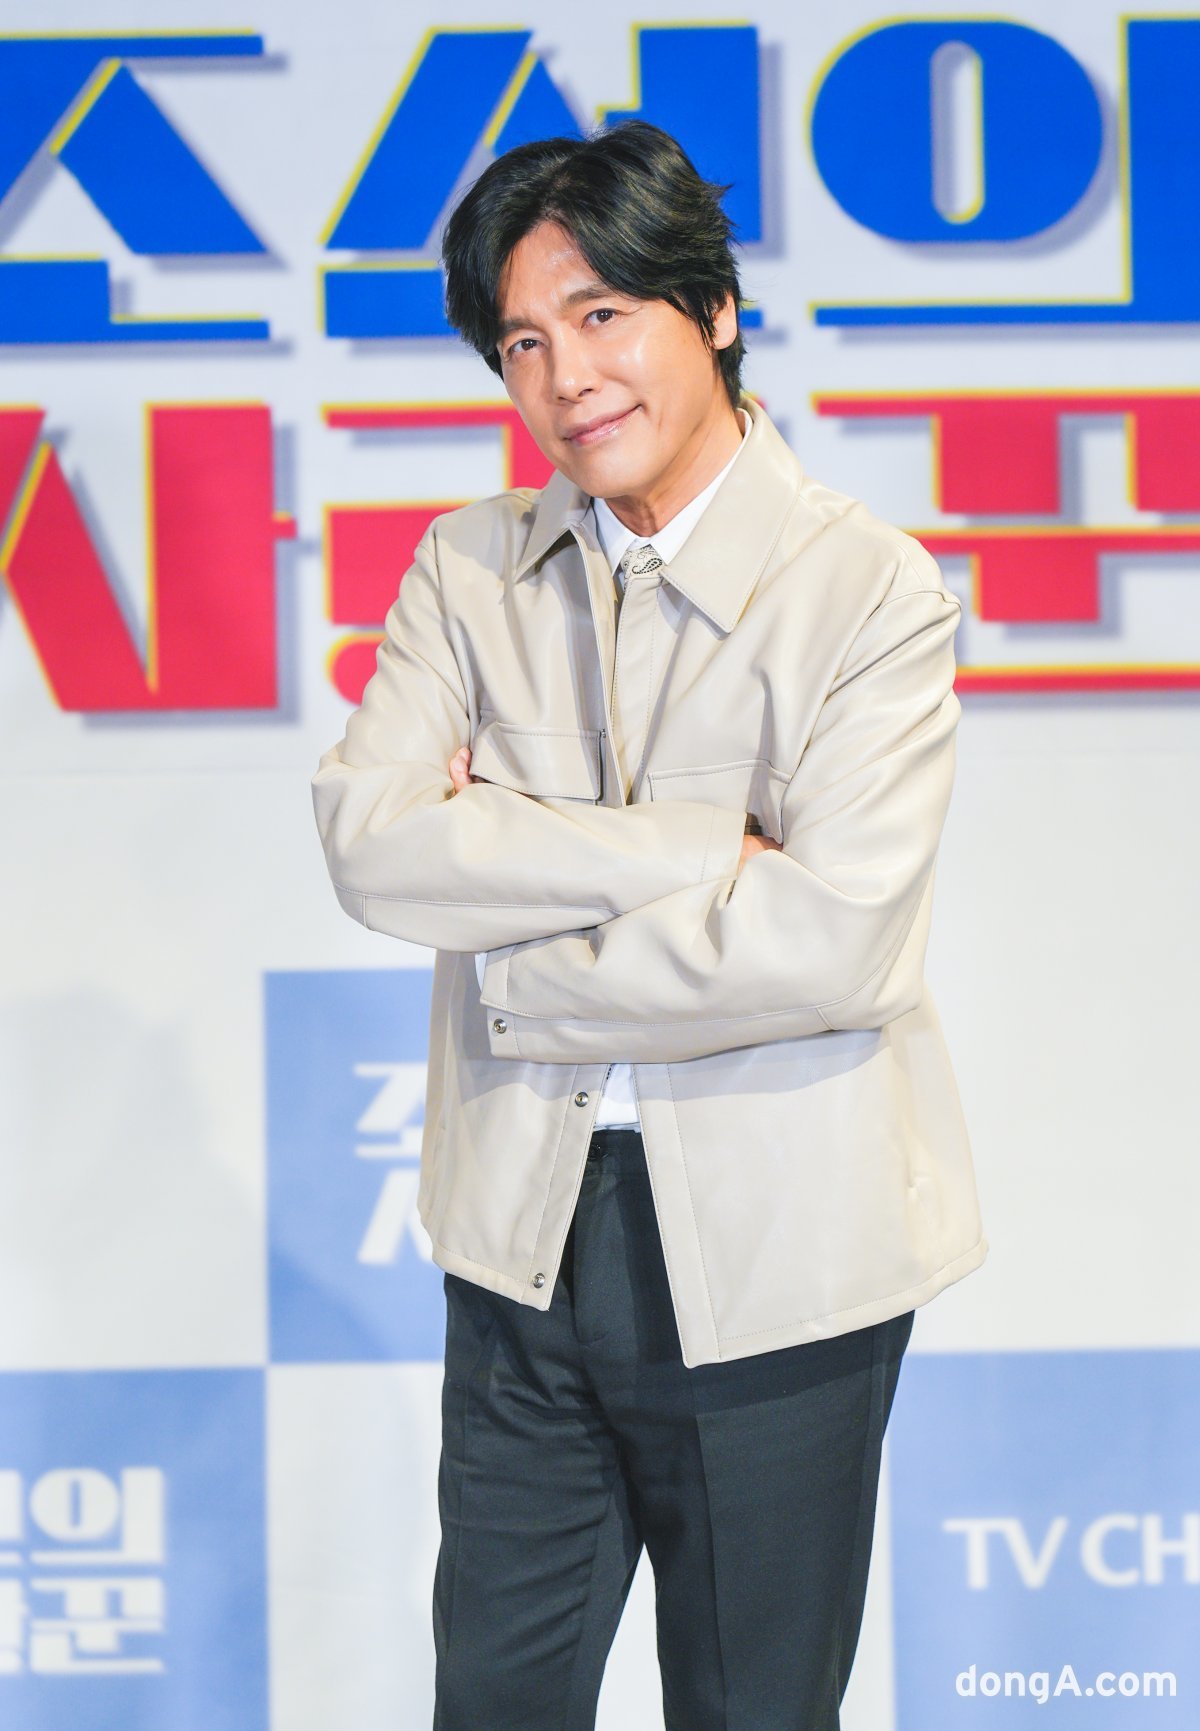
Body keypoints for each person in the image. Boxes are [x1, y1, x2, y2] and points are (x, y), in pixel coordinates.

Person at [311, 118, 987, 1731]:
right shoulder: (468, 571)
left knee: (754, 1710)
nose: (567, 379)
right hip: (523, 1242)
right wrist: (693, 851)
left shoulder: (870, 591)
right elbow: (374, 847)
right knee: (494, 1703)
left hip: (784, 1257)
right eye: (522, 344)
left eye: (603, 315)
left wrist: (516, 948)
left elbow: (834, 942)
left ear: (717, 309)